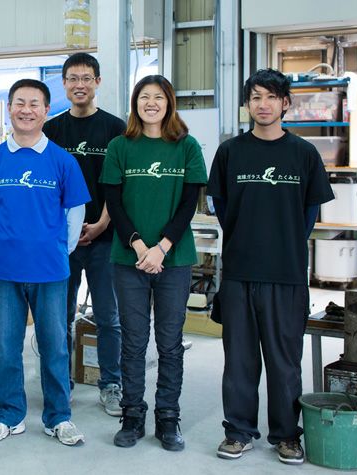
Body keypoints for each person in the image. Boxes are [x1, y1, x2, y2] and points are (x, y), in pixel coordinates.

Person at [207, 68, 334, 465]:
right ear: (247, 104)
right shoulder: (230, 152)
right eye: (255, 97)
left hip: (286, 273)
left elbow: (310, 212)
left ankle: (287, 436)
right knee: (239, 361)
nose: (262, 105)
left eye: (271, 97)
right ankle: (238, 432)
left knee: (285, 363)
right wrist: (246, 238)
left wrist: (285, 244)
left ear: (285, 103)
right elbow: (222, 207)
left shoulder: (304, 154)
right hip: (240, 272)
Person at [0, 79, 90, 446]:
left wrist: (57, 249)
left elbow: (75, 212)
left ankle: (59, 416)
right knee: (6, 345)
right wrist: (10, 235)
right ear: (9, 108)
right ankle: (9, 414)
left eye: (34, 103)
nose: (26, 110)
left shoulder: (62, 161)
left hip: (50, 269)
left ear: (46, 110)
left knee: (54, 344)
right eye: (19, 102)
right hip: (4, 267)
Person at [100, 75, 207, 451]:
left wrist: (161, 247)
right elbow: (113, 202)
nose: (151, 103)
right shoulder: (120, 146)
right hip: (128, 259)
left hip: (174, 259)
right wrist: (138, 245)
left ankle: (168, 418)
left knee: (170, 342)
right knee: (132, 341)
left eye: (158, 97)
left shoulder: (187, 146)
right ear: (135, 103)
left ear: (169, 102)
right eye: (144, 97)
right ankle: (132, 415)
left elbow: (189, 203)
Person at [42, 52, 125, 416]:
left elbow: (117, 184)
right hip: (63, 241)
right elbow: (48, 188)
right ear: (63, 84)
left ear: (97, 82)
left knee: (108, 316)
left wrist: (103, 222)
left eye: (86, 78)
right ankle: (62, 383)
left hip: (104, 236)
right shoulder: (52, 131)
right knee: (60, 315)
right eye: (73, 78)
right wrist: (68, 229)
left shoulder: (115, 128)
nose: (80, 85)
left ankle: (111, 384)